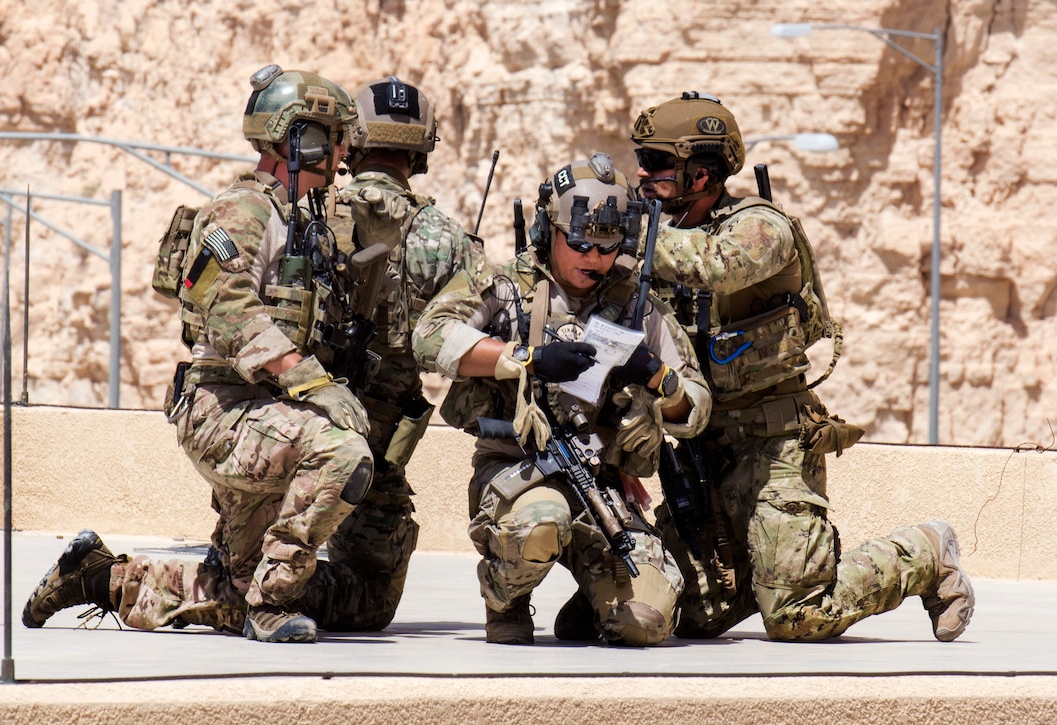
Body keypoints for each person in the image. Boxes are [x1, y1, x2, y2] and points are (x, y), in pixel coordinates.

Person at [22, 64, 374, 644]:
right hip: (223, 410)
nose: (341, 152)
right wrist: (314, 384)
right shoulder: (243, 210)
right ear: (298, 137)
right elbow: (228, 308)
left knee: (228, 596)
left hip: (266, 413)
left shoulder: (301, 217)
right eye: (332, 137)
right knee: (342, 451)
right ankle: (272, 604)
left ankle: (94, 577)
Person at [631, 90, 975, 642]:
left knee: (799, 617)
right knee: (685, 617)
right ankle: (769, 573)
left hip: (775, 446)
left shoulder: (760, 227)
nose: (643, 175)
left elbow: (714, 267)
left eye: (657, 164)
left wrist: (625, 232)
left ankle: (924, 553)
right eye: (641, 161)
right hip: (704, 446)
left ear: (701, 172)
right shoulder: (658, 241)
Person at [412, 153, 712, 646]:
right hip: (519, 473)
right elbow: (430, 336)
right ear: (547, 230)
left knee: (648, 622)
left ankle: (595, 605)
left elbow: (696, 410)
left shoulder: (636, 302)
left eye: (607, 247)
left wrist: (657, 376)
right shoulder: (507, 286)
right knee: (540, 524)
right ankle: (503, 598)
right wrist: (526, 357)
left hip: (601, 485)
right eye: (579, 244)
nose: (593, 259)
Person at [311, 75, 487, 630]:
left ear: (354, 140)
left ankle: (244, 581)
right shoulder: (446, 239)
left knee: (249, 567)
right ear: (423, 148)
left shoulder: (308, 212)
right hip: (373, 457)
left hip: (286, 440)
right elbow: (477, 340)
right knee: (367, 605)